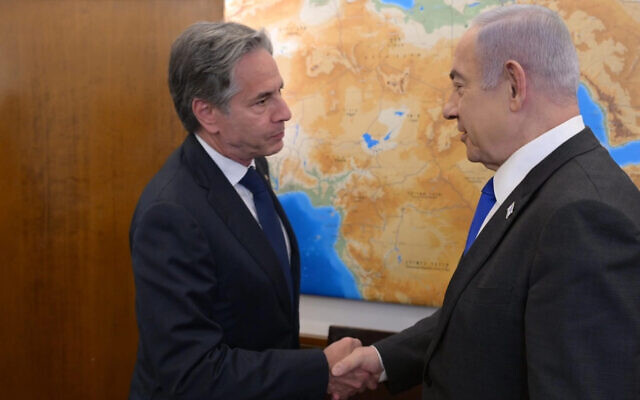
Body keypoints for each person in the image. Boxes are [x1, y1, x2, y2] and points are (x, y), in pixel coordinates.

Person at [331, 4, 640, 399]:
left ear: (514, 85)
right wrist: (384, 358)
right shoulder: (542, 187)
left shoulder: (584, 217)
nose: (448, 108)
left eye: (460, 86)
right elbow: (489, 313)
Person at [129, 21, 373, 399]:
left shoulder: (252, 165)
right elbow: (191, 374)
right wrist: (318, 369)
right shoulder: (171, 215)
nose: (285, 112)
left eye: (280, 93)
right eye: (262, 101)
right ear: (208, 114)